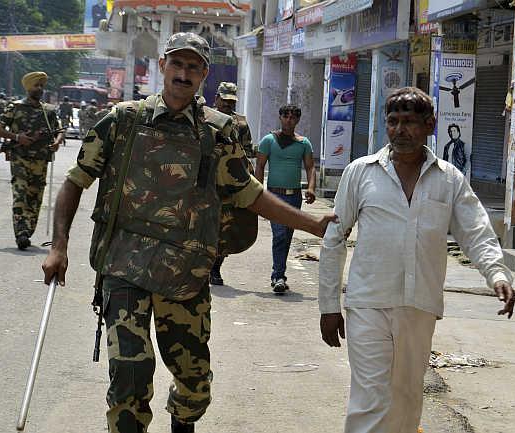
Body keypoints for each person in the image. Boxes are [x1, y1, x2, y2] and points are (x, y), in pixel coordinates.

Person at [41, 32, 335, 433]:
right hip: (123, 264)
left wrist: (313, 224)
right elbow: (75, 181)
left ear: (204, 75)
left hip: (186, 271)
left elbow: (248, 193)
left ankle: (183, 424)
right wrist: (58, 247)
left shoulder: (216, 133)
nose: (183, 74)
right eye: (176, 64)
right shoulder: (123, 121)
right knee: (130, 373)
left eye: (192, 67)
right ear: (162, 66)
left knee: (194, 382)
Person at [318, 87, 515, 433]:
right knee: (371, 399)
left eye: (409, 122)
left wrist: (497, 274)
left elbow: (476, 232)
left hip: (419, 305)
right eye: (392, 121)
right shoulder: (360, 172)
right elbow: (335, 240)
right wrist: (328, 305)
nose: (399, 130)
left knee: (407, 397)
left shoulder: (449, 180)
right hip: (368, 303)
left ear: (429, 125)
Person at [0, 72, 64, 250]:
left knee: (35, 197)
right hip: (20, 159)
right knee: (20, 194)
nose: (39, 89)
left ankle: (28, 230)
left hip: (41, 161)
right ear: (28, 88)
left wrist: (56, 142)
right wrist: (17, 137)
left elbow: (59, 130)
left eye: (41, 86)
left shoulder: (49, 111)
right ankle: (21, 233)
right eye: (36, 86)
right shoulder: (15, 107)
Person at [255, 104, 316, 294]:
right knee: (279, 234)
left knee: (287, 235)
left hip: (294, 196)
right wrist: (256, 192)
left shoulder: (303, 143)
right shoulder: (268, 140)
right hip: (274, 194)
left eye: (293, 117)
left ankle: (279, 274)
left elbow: (310, 168)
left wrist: (312, 188)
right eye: (286, 117)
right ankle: (278, 276)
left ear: (297, 120)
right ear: (280, 118)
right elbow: (259, 166)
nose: (289, 120)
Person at [209, 81, 254, 286]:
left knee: (225, 227)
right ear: (217, 98)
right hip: (205, 180)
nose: (227, 104)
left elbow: (246, 154)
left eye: (231, 101)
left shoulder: (241, 124)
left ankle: (215, 268)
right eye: (224, 100)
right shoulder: (204, 116)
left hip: (228, 183)